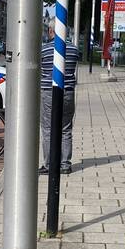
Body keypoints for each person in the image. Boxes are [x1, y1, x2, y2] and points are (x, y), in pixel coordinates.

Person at [40, 18, 79, 175]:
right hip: (68, 92)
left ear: (51, 31)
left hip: (49, 91)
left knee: (48, 128)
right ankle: (65, 164)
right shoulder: (74, 50)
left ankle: (49, 164)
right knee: (65, 128)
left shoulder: (44, 50)